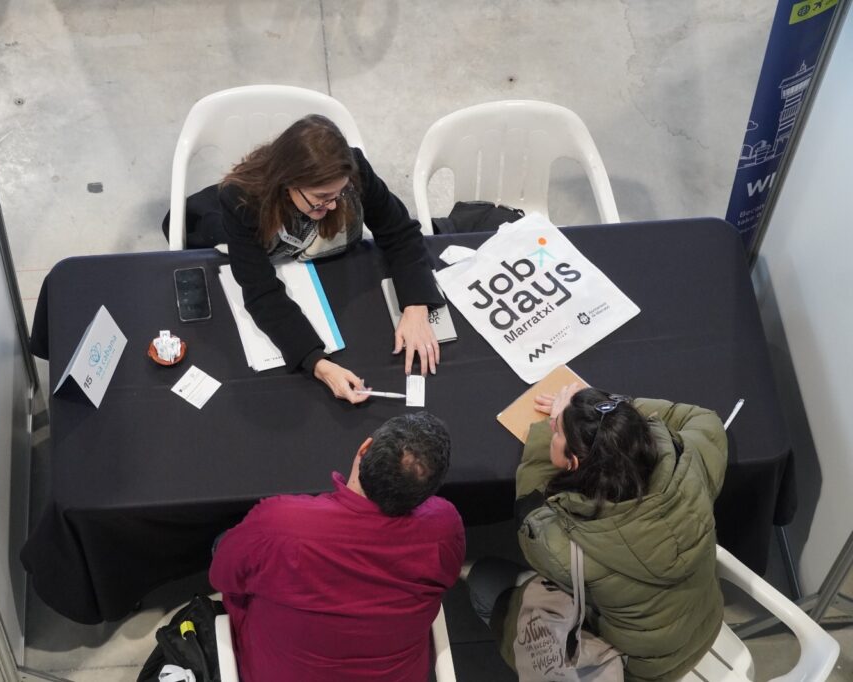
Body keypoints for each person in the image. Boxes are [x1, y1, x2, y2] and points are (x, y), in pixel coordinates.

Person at [466, 384, 727, 682]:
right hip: (704, 628)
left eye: (557, 433)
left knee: (483, 580)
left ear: (573, 462)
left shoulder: (559, 546)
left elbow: (530, 512)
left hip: (640, 669)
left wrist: (546, 430)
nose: (553, 431)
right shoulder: (693, 462)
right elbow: (704, 419)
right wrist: (613, 418)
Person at [209, 412, 465, 682]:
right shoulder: (445, 529)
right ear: (428, 493)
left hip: (271, 667)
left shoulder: (279, 524)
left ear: (364, 448)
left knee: (224, 546)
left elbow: (222, 578)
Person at [210, 114, 444, 403]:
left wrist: (415, 306)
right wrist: (317, 363)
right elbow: (260, 291)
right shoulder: (240, 199)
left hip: (334, 270)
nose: (333, 205)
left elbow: (400, 233)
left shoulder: (355, 171)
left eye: (339, 193)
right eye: (322, 196)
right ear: (288, 182)